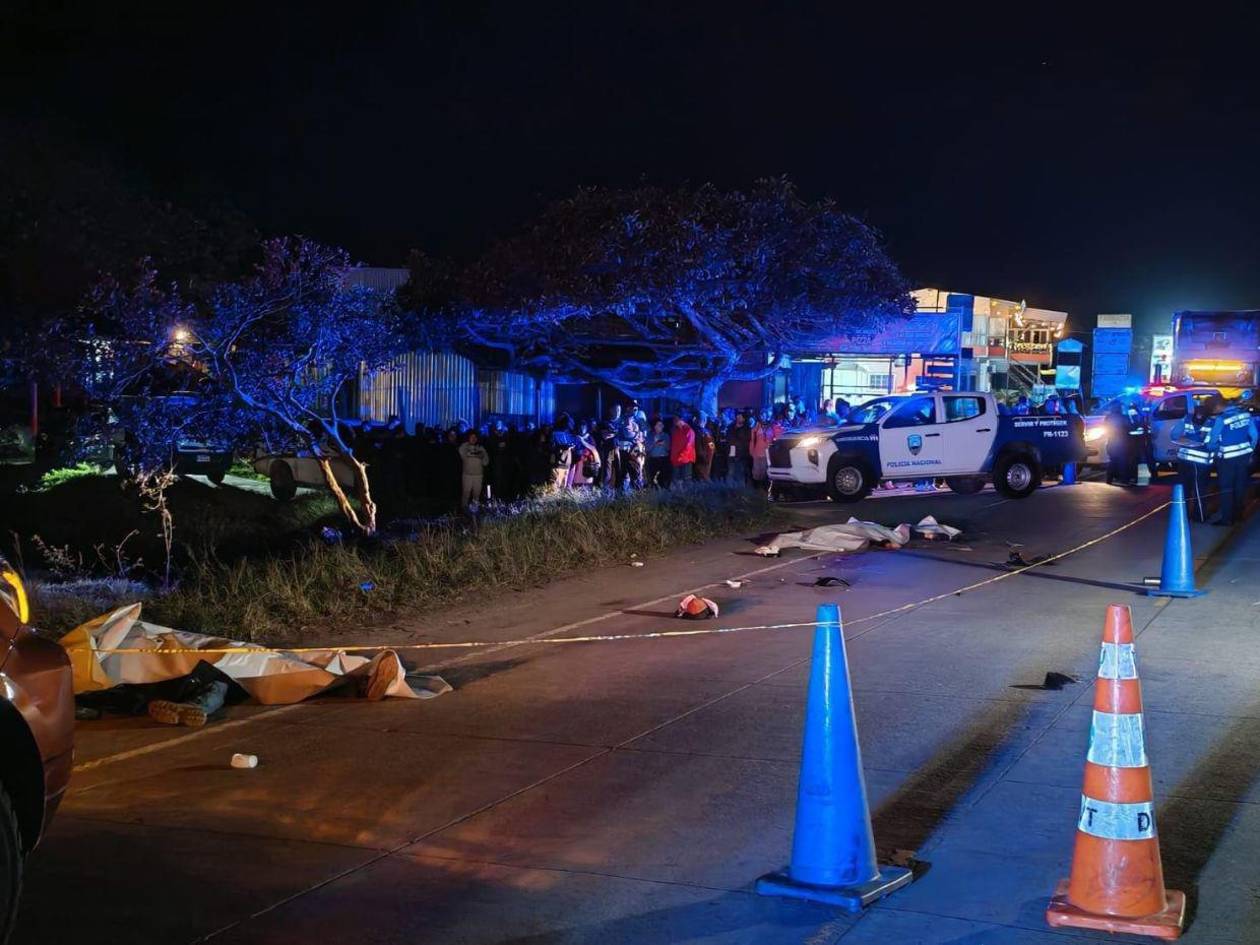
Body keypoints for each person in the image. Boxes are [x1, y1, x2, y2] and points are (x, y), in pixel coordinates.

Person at [1205, 396, 1258, 525]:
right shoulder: (1245, 414)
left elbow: (1213, 441)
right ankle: (1238, 514)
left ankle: (1227, 519)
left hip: (1227, 459)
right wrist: (1250, 449)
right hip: (1244, 456)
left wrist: (1212, 448)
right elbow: (1255, 435)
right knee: (1240, 485)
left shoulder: (1221, 419)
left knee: (1226, 488)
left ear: (1217, 407)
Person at [1171, 399, 1214, 521]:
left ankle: (1182, 516)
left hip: (1185, 460)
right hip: (1201, 463)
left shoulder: (1186, 419)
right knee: (1200, 490)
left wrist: (1186, 438)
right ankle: (1200, 516)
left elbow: (1174, 436)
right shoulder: (1212, 423)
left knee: (1185, 489)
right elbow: (1213, 444)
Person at [1103, 402, 1136, 485]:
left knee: (1113, 460)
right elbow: (1131, 427)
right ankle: (1124, 480)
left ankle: (1109, 479)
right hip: (1123, 442)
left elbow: (1106, 428)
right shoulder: (1123, 417)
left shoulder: (1108, 417)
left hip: (1111, 441)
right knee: (1123, 461)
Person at [457, 430, 490, 508]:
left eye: (475, 437)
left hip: (478, 476)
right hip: (467, 475)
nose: (473, 439)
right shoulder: (464, 446)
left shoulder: (481, 448)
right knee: (465, 494)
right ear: (468, 438)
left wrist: (480, 455)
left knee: (476, 495)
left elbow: (486, 462)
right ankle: (464, 510)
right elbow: (463, 454)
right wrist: (477, 454)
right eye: (472, 437)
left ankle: (474, 511)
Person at [750, 409, 778, 490]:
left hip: (768, 453)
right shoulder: (756, 426)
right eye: (761, 415)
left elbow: (775, 438)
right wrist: (751, 451)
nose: (762, 416)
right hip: (757, 453)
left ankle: (766, 490)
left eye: (764, 415)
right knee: (756, 472)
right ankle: (757, 490)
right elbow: (752, 440)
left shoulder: (772, 426)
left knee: (766, 472)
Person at [644, 418, 672, 488]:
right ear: (655, 426)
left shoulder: (666, 435)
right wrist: (654, 443)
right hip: (653, 460)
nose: (662, 426)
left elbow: (668, 448)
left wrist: (664, 444)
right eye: (659, 425)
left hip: (664, 459)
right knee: (653, 478)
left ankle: (663, 492)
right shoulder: (650, 435)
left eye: (662, 425)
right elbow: (647, 449)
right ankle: (653, 492)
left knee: (663, 478)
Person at [726, 411, 751, 485]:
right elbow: (728, 438)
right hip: (731, 452)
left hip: (741, 454)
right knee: (730, 472)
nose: (738, 418)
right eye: (737, 417)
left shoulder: (747, 429)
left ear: (743, 419)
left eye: (740, 417)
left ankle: (740, 490)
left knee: (740, 473)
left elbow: (747, 440)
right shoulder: (731, 427)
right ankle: (729, 490)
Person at [670, 415, 696, 483]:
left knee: (686, 480)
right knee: (676, 481)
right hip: (676, 460)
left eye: (676, 420)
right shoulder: (675, 430)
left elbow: (689, 446)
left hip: (685, 460)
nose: (675, 422)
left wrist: (681, 456)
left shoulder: (689, 431)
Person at [694, 413, 716, 481]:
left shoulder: (706, 431)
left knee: (705, 473)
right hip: (702, 456)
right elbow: (698, 446)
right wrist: (702, 455)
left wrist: (712, 452)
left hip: (707, 456)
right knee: (702, 474)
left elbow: (711, 443)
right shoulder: (697, 431)